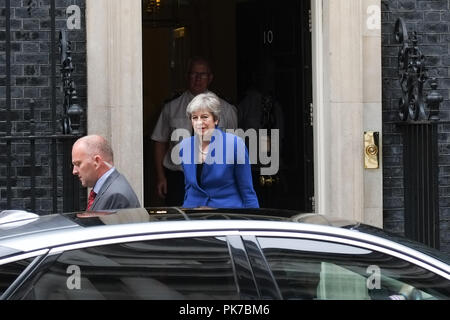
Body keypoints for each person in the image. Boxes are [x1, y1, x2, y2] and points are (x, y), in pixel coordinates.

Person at [151, 56, 238, 206]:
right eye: (193, 74)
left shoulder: (226, 110)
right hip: (179, 179)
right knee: (178, 223)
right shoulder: (171, 108)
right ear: (187, 76)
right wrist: (161, 177)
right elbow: (160, 141)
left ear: (210, 78)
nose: (197, 79)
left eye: (202, 74)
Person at [179, 92, 259, 208]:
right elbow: (189, 188)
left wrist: (252, 221)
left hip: (226, 216)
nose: (199, 122)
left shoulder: (235, 144)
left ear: (216, 119)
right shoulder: (185, 146)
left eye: (205, 117)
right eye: (195, 118)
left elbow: (247, 190)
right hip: (194, 216)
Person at [72, 135, 141, 211]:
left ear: (97, 161)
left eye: (78, 164)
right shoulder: (110, 188)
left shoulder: (116, 196)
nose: (74, 171)